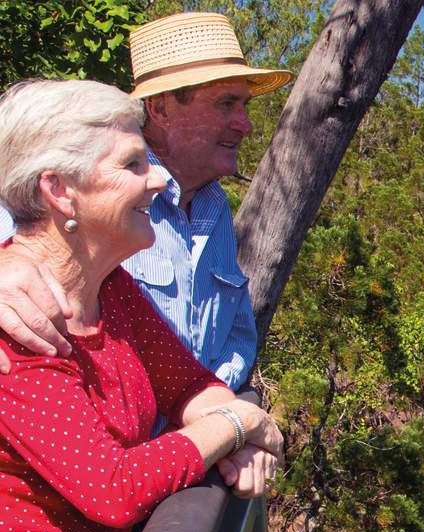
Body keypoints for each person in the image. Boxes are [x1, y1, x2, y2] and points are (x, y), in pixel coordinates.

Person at [0, 79, 284, 532]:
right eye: (133, 165)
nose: (156, 178)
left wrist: (227, 421)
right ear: (60, 191)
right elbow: (115, 487)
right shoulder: (21, 332)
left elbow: (185, 381)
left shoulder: (109, 289)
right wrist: (236, 420)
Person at [0, 12, 292, 493]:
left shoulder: (215, 207)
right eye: (227, 104)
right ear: (159, 107)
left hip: (185, 476)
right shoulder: (89, 189)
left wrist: (225, 415)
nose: (244, 123)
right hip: (100, 492)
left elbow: (233, 336)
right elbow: (28, 220)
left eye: (243, 104)